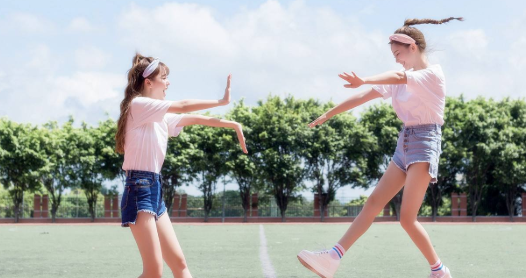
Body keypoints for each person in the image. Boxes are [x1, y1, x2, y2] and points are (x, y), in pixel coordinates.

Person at [298, 17, 463, 278]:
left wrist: (362, 78)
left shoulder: (432, 74)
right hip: (405, 142)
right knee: (374, 202)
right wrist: (329, 113)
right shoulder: (400, 79)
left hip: (425, 142)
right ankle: (332, 258)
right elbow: (366, 95)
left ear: (412, 47)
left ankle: (440, 271)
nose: (397, 59)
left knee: (407, 218)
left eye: (398, 53)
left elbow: (398, 76)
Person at [115, 53, 248, 278]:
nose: (168, 83)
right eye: (164, 78)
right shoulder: (138, 105)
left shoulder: (159, 116)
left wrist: (233, 124)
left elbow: (196, 118)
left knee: (179, 265)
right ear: (149, 83)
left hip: (154, 190)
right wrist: (221, 102)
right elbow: (184, 106)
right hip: (139, 189)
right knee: (154, 272)